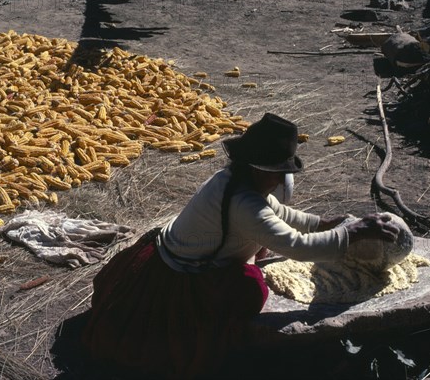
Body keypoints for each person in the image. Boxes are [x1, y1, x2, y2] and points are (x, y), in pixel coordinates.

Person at [81, 113, 399, 378]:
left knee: (257, 254)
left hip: (173, 251)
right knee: (252, 289)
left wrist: (322, 223)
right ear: (260, 169)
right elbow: (297, 247)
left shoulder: (237, 180)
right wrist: (354, 232)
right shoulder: (243, 203)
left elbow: (277, 210)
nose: (279, 181)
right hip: (177, 278)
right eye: (277, 174)